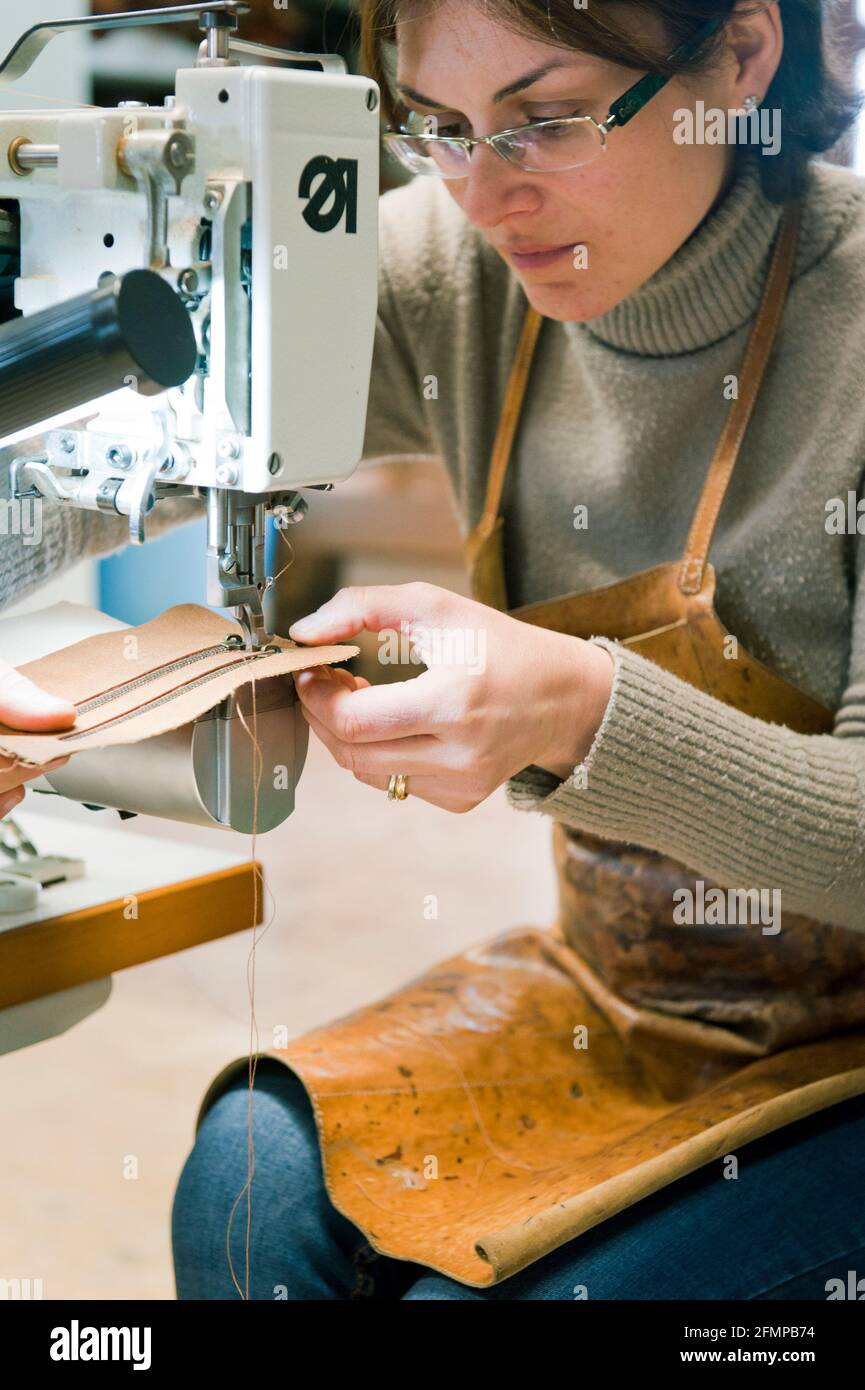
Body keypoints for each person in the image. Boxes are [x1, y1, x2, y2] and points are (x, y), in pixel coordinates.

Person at [172, 0, 865, 1299]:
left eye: (543, 121)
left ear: (743, 53)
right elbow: (137, 434)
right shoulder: (456, 268)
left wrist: (581, 713)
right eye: (441, 128)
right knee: (245, 1194)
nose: (486, 197)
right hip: (617, 997)